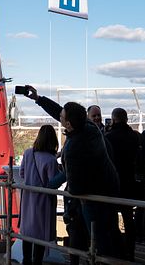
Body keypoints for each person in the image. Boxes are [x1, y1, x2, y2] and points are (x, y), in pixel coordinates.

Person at [25, 86, 121, 258]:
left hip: (92, 195)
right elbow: (60, 112)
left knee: (97, 237)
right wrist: (39, 99)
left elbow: (75, 186)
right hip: (109, 186)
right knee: (107, 233)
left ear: (68, 124)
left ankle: (100, 259)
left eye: (62, 118)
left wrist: (56, 185)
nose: (60, 118)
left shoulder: (73, 147)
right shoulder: (88, 127)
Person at [19, 124, 60, 265]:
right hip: (43, 202)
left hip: (28, 198)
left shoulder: (28, 153)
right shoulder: (51, 160)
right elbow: (53, 182)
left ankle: (25, 261)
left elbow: (22, 173)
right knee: (40, 235)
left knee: (27, 233)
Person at [104, 107, 141, 260]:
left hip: (113, 182)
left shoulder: (109, 137)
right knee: (128, 219)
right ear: (126, 119)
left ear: (113, 119)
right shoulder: (135, 137)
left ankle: (117, 250)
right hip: (129, 181)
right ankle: (130, 251)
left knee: (111, 219)